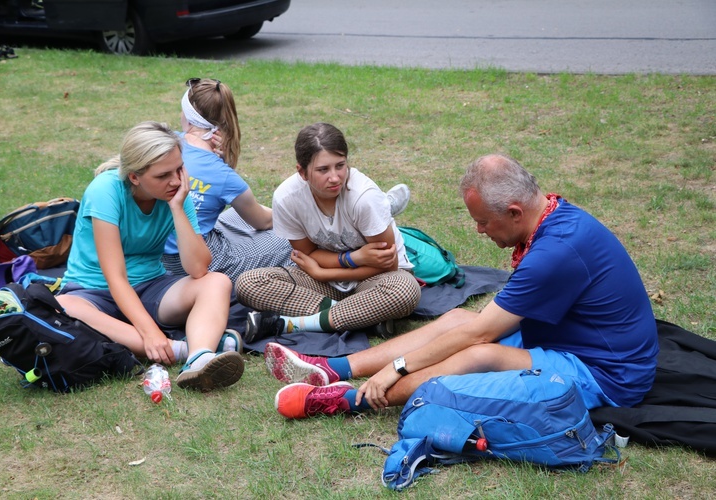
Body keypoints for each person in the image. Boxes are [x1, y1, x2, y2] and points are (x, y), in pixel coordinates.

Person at [265, 153, 659, 418]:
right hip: (568, 341)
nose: (479, 230)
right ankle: (333, 368)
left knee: (478, 355)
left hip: (604, 374)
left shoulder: (555, 253)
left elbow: (480, 336)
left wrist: (395, 369)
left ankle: (350, 400)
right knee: (456, 319)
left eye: (484, 222)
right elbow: (472, 327)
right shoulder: (553, 216)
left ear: (515, 211)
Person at [161, 78, 411, 284]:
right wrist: (293, 213)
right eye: (324, 169)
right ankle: (381, 208)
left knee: (237, 218)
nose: (334, 176)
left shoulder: (166, 143)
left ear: (186, 114)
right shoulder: (223, 175)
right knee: (288, 239)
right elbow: (262, 220)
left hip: (165, 248)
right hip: (198, 257)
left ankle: (379, 206)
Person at [56, 121, 244, 392]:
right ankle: (185, 349)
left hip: (150, 286)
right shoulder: (104, 191)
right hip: (93, 292)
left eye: (179, 169)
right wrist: (151, 333)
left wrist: (178, 208)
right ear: (134, 176)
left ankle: (200, 359)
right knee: (64, 306)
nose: (176, 180)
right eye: (163, 175)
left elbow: (199, 268)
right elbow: (115, 277)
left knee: (217, 282)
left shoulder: (176, 193)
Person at [234, 122, 422, 343]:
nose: (334, 177)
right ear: (302, 172)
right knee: (249, 283)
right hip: (323, 283)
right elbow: (307, 255)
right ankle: (360, 315)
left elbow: (387, 265)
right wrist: (353, 258)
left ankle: (288, 324)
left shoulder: (365, 197)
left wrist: (325, 273)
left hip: (376, 279)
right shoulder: (287, 198)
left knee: (404, 290)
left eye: (340, 165)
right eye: (323, 170)